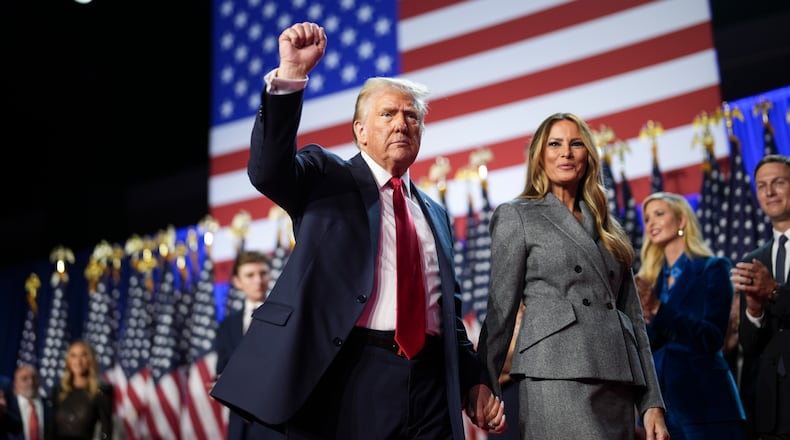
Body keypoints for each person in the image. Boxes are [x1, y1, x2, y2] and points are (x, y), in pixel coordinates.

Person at [210, 21, 505, 439]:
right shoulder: (327, 178)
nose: (402, 124)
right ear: (360, 132)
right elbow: (268, 170)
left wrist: (472, 379)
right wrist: (290, 77)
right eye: (388, 114)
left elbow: (447, 313)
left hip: (431, 386)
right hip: (351, 375)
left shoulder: (435, 214)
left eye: (411, 116)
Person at [477, 112, 669, 439]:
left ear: (588, 156)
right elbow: (501, 309)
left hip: (617, 377)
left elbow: (634, 319)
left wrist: (652, 403)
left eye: (576, 143)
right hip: (554, 373)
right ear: (541, 154)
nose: (566, 152)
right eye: (555, 144)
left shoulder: (609, 227)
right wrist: (484, 381)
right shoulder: (517, 215)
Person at [635, 191, 745, 439]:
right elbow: (648, 349)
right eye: (647, 218)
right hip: (665, 412)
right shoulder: (649, 281)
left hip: (708, 407)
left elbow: (712, 338)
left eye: (659, 214)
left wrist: (658, 309)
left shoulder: (713, 268)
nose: (651, 223)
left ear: (682, 220)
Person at [730, 154, 790, 440]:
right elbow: (749, 344)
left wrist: (774, 292)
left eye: (778, 182)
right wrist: (754, 311)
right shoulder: (753, 260)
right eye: (762, 185)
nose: (769, 192)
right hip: (772, 411)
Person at [215, 250, 282, 439]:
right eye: (250, 275)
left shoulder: (284, 319)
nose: (258, 281)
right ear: (237, 281)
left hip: (274, 425)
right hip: (240, 428)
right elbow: (222, 369)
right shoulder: (227, 325)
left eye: (263, 273)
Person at [51, 341, 112, 440]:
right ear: (68, 361)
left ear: (90, 360)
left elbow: (106, 429)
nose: (78, 361)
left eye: (83, 355)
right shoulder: (58, 391)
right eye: (73, 356)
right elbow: (51, 429)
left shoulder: (101, 392)